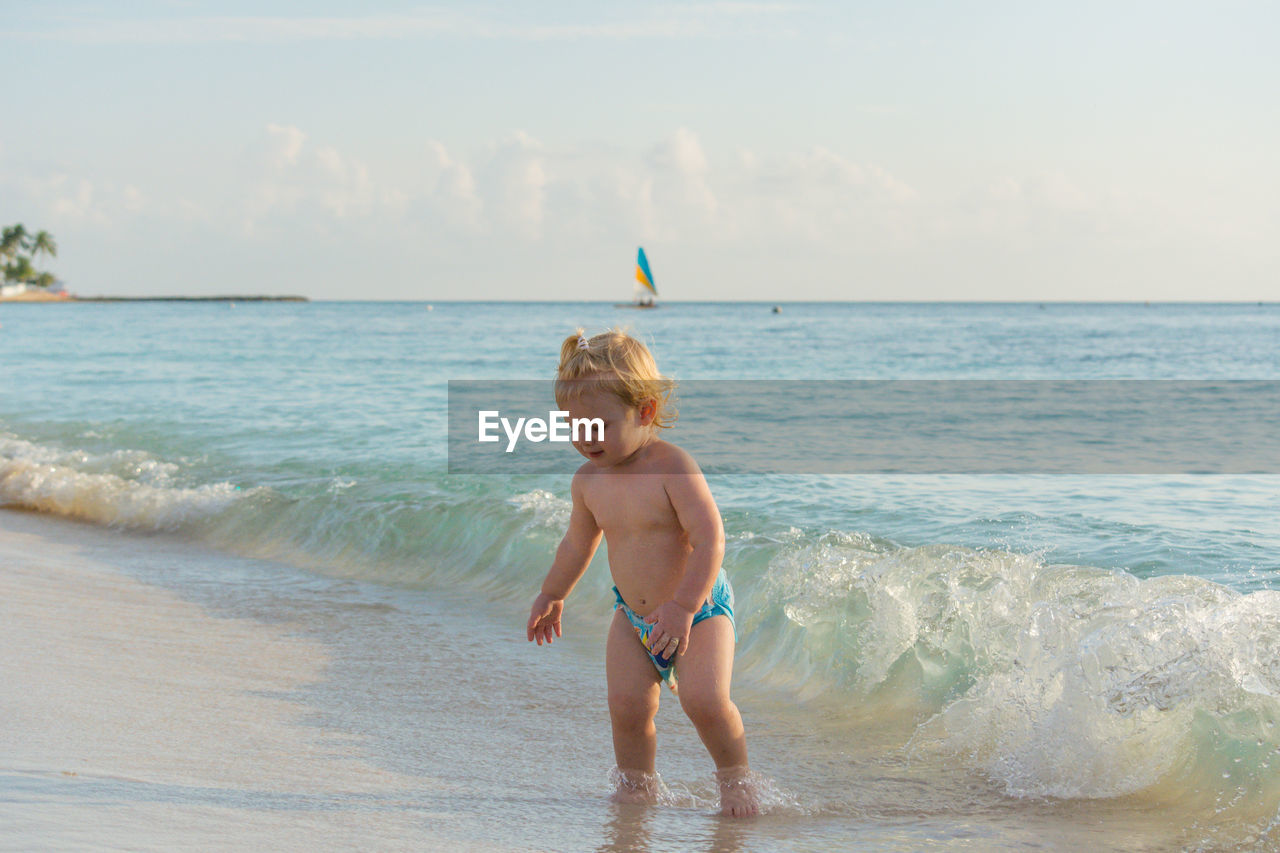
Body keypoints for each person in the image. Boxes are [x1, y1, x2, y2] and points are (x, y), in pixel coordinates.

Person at [526, 328, 760, 817]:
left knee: (706, 702)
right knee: (627, 707)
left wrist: (683, 607)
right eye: (573, 427)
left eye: (598, 427)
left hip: (698, 608)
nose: (584, 440)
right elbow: (577, 543)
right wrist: (552, 593)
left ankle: (736, 782)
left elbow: (710, 539)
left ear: (646, 412)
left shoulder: (671, 467)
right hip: (632, 617)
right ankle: (637, 786)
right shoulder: (588, 482)